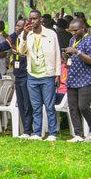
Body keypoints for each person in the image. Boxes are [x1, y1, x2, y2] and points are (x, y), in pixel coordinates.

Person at [22, 10, 61, 141]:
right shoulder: (27, 34)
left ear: (40, 19)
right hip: (32, 75)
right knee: (36, 107)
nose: (32, 21)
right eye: (30, 19)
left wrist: (58, 74)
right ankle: (37, 133)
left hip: (47, 74)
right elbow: (22, 51)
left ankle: (52, 133)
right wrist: (24, 36)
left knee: (49, 106)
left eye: (34, 19)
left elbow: (57, 54)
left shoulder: (51, 34)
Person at [63, 18, 91, 142]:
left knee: (83, 106)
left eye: (75, 30)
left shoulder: (90, 40)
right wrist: (67, 57)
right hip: (73, 77)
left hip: (87, 79)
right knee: (73, 107)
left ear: (83, 28)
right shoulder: (72, 40)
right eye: (71, 31)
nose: (73, 33)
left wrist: (77, 52)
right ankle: (78, 134)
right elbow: (72, 57)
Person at [8, 18, 33, 138]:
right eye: (16, 25)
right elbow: (2, 47)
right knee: (21, 104)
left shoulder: (29, 39)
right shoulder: (16, 39)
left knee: (27, 104)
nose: (17, 27)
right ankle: (25, 130)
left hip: (26, 74)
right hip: (17, 75)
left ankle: (28, 130)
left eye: (20, 26)